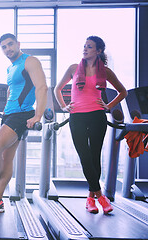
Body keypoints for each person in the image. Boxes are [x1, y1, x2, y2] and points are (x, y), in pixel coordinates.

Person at [0, 33, 48, 213]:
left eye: (10, 45)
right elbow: (13, 90)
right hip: (9, 114)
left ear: (18, 44)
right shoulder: (11, 68)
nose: (8, 49)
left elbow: (42, 87)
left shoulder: (30, 61)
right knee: (7, 159)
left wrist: (38, 115)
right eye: (4, 47)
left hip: (22, 115)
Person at [54, 36, 127, 214]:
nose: (85, 49)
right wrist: (64, 106)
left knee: (94, 157)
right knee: (85, 156)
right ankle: (101, 197)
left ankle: (90, 199)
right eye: (84, 46)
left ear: (99, 51)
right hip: (77, 116)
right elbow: (57, 89)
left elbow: (123, 91)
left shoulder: (106, 72)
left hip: (97, 116)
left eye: (90, 47)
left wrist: (108, 106)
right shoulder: (73, 69)